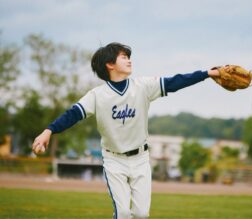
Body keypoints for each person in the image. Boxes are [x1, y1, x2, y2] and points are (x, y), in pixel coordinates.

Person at [32, 42, 220, 219]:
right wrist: (49, 130)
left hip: (140, 159)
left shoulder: (143, 87)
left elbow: (175, 82)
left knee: (141, 214)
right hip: (114, 160)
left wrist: (207, 74)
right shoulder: (97, 95)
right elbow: (73, 114)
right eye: (123, 56)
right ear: (109, 64)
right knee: (122, 213)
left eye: (128, 56)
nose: (129, 60)